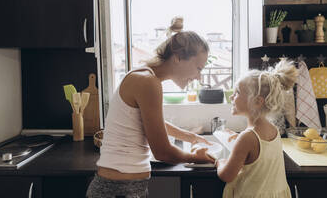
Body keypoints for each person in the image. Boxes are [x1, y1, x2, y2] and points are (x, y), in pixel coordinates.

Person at [87, 17, 214, 198]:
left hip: (126, 188)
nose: (198, 77)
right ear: (178, 57)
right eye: (198, 68)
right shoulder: (148, 82)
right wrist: (197, 158)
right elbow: (162, 152)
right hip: (117, 190)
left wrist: (189, 136)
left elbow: (151, 122)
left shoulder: (145, 77)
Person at [216, 60, 298, 198]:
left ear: (257, 101)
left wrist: (219, 162)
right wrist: (237, 140)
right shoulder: (274, 130)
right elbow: (258, 156)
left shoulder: (247, 138)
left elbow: (227, 175)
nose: (231, 96)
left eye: (237, 93)